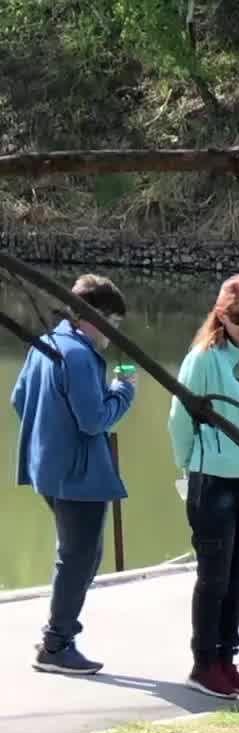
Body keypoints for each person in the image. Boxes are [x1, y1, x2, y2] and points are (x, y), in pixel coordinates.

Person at [12, 273, 136, 675]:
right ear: (93, 317)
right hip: (79, 476)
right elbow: (94, 419)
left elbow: (19, 398)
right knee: (80, 557)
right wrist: (123, 390)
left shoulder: (47, 342)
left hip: (47, 468)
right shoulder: (80, 355)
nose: (111, 334)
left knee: (77, 554)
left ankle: (56, 632)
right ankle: (57, 644)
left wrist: (48, 434)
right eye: (112, 324)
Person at [168, 275, 239, 699]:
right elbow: (180, 419)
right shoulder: (203, 358)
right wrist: (190, 465)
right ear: (221, 316)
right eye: (238, 320)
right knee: (214, 577)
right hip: (213, 480)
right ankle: (204, 662)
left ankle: (228, 659)